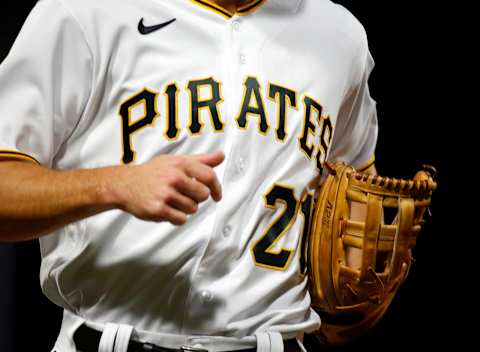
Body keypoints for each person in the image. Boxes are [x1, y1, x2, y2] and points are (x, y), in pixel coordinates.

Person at [0, 0, 378, 351]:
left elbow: (356, 190)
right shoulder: (86, 11)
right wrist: (113, 184)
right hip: (113, 337)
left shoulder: (338, 35)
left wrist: (359, 275)